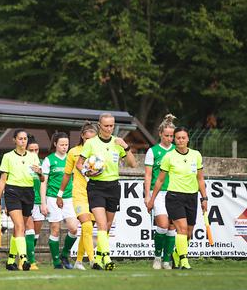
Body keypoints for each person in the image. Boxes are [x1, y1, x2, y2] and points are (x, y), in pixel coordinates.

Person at [76, 113, 137, 270]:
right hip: (96, 187)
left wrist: (126, 146)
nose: (109, 129)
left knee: (107, 226)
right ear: (99, 126)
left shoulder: (117, 142)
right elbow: (79, 164)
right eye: (106, 126)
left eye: (112, 126)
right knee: (102, 224)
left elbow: (132, 164)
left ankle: (100, 256)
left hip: (113, 187)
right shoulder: (91, 143)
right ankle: (108, 259)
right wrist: (88, 172)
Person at [147, 127, 207, 270]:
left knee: (189, 233)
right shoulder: (169, 156)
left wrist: (204, 198)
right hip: (174, 196)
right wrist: (151, 199)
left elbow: (200, 179)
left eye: (183, 138)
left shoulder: (196, 155)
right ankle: (184, 261)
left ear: (188, 139)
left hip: (192, 197)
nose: (180, 140)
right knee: (181, 229)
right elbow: (160, 181)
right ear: (175, 139)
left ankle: (176, 253)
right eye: (178, 138)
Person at [0, 129, 43, 271]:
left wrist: (40, 173)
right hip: (12, 191)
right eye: (20, 139)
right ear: (14, 140)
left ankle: (10, 261)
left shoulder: (33, 157)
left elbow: (42, 179)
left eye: (25, 139)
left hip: (28, 192)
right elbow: (3, 179)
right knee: (20, 226)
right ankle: (24, 259)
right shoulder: (8, 156)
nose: (23, 141)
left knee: (18, 229)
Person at [59, 122, 98, 270]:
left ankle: (79, 261)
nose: (90, 142)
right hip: (79, 194)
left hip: (95, 194)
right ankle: (93, 261)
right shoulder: (74, 152)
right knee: (86, 225)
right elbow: (67, 175)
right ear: (82, 136)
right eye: (88, 139)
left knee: (88, 229)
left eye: (93, 139)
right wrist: (60, 194)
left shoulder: (98, 153)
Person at [143, 114, 177, 270]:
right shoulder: (153, 151)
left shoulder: (178, 151)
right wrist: (147, 195)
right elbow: (149, 175)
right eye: (167, 135)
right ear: (160, 134)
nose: (169, 138)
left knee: (172, 228)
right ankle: (157, 257)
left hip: (175, 193)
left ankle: (166, 260)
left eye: (171, 136)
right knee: (162, 225)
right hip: (158, 193)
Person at [41, 132, 79, 269]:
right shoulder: (49, 160)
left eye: (67, 144)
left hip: (69, 198)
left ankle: (64, 254)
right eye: (62, 144)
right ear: (55, 144)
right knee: (55, 230)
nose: (64, 147)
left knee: (74, 229)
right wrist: (43, 203)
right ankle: (57, 262)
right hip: (52, 198)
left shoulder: (72, 159)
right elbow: (43, 182)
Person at [25, 136, 43, 270]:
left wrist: (40, 173)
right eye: (31, 150)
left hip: (38, 202)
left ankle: (26, 255)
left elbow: (43, 181)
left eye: (36, 149)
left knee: (35, 234)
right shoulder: (22, 162)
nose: (34, 152)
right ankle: (31, 261)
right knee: (29, 230)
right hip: (25, 200)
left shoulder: (41, 163)